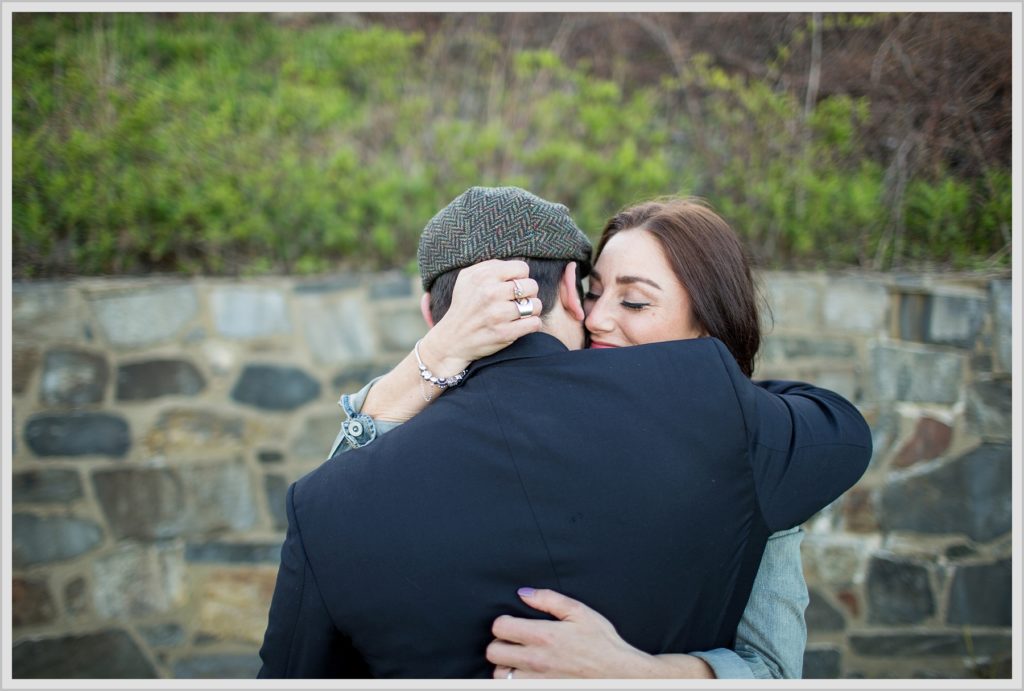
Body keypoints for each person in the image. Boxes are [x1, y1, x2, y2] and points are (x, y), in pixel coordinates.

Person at [258, 187, 872, 679]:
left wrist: (639, 674)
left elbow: (771, 668)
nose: (601, 317)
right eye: (594, 292)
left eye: (634, 303)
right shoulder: (738, 427)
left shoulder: (328, 503)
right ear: (570, 297)